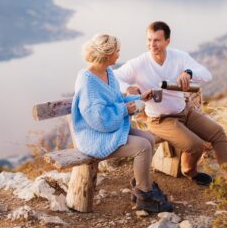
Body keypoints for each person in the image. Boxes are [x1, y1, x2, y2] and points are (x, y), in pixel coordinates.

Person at [113, 21, 227, 185]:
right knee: (196, 145)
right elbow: (114, 77)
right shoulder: (139, 63)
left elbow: (207, 75)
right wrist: (128, 88)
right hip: (161, 119)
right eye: (149, 40)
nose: (152, 44)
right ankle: (190, 172)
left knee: (218, 133)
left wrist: (189, 73)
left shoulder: (179, 57)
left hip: (185, 110)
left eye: (157, 40)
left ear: (167, 41)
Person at [71, 33, 174, 213]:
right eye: (117, 51)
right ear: (107, 54)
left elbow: (117, 99)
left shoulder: (108, 72)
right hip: (95, 135)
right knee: (142, 146)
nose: (119, 54)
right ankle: (145, 196)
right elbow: (98, 120)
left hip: (111, 127)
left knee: (148, 139)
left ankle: (141, 187)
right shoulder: (87, 81)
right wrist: (125, 110)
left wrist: (139, 98)